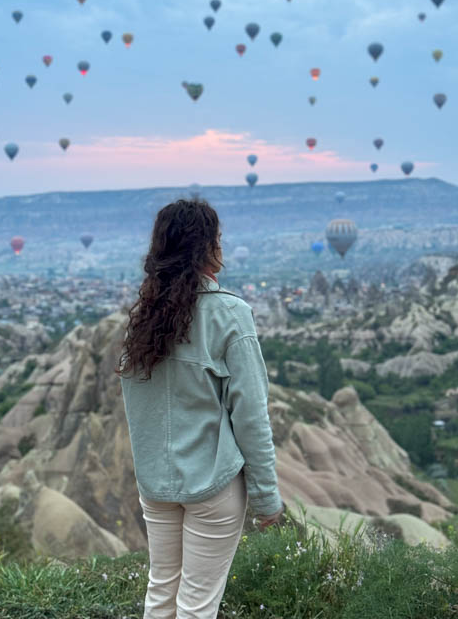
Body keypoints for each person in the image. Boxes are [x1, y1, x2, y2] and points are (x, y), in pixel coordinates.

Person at [115, 198, 285, 619]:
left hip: (157, 485)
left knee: (161, 594)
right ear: (206, 248)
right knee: (197, 606)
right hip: (213, 484)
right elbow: (251, 416)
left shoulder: (143, 320)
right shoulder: (230, 314)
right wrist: (267, 501)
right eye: (217, 240)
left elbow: (139, 405)